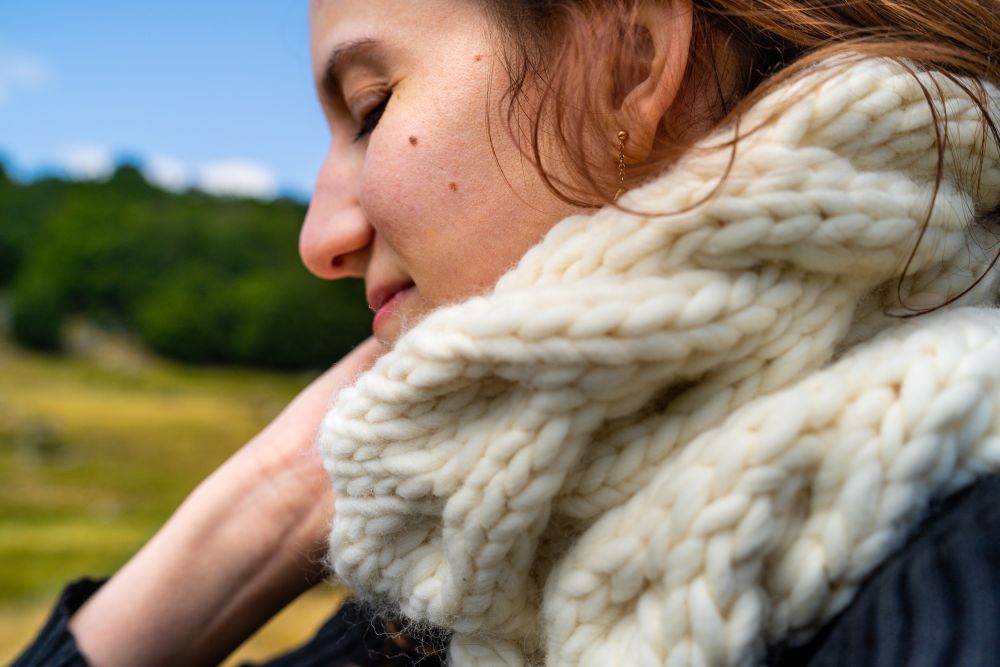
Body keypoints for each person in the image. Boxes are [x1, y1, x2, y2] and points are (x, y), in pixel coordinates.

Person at [14, 0, 1000, 665]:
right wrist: (269, 502)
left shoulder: (956, 568)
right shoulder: (464, 578)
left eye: (369, 109)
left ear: (635, 58)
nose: (321, 238)